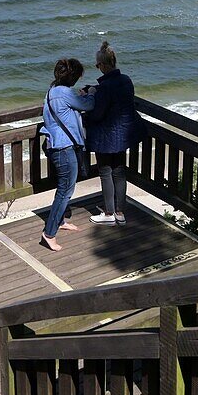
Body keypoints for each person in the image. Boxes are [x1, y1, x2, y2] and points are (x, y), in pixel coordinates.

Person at [84, 41, 146, 226]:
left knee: (105, 171)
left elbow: (97, 114)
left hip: (106, 137)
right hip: (124, 133)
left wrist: (90, 99)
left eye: (97, 65)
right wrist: (95, 91)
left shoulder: (105, 87)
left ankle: (109, 213)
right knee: (119, 171)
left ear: (103, 65)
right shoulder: (126, 80)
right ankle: (120, 212)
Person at [40, 58, 95, 251]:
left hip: (56, 145)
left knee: (62, 187)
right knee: (65, 190)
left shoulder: (51, 92)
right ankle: (49, 234)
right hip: (64, 147)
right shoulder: (64, 93)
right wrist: (92, 94)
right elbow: (87, 106)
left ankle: (61, 221)